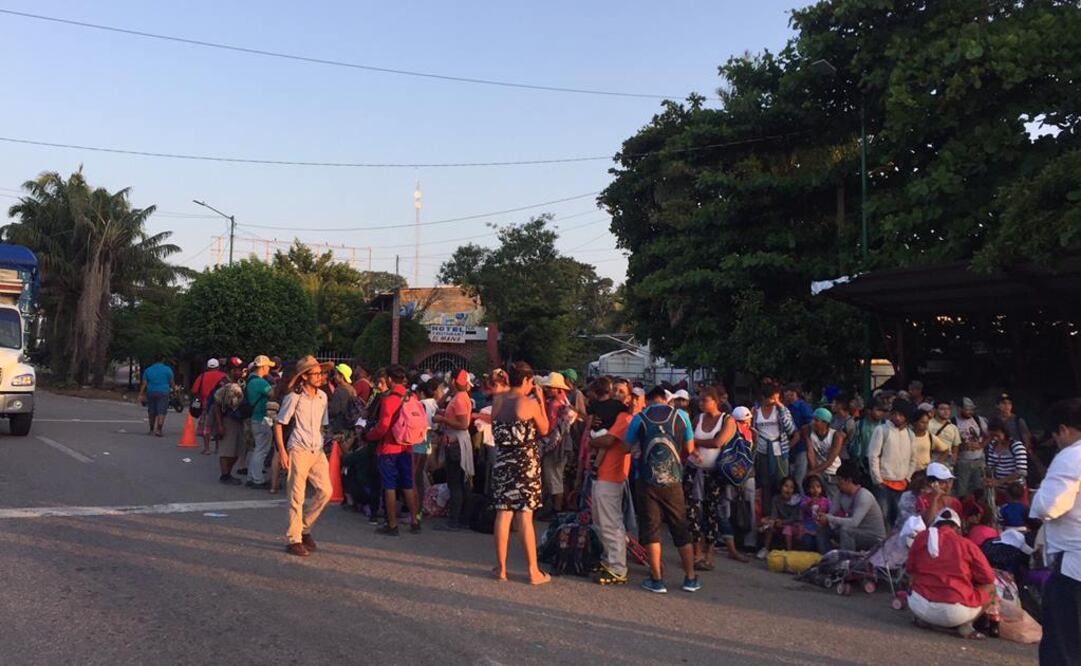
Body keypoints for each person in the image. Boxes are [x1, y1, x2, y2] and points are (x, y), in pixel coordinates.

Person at [625, 385, 700, 593]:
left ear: (648, 400)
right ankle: (690, 578)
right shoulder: (682, 416)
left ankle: (656, 580)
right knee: (680, 528)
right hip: (674, 481)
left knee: (652, 530)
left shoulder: (639, 418)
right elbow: (690, 449)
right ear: (666, 399)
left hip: (646, 480)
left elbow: (625, 448)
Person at [1029, 398, 1081, 665]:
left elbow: (1048, 507)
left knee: (1063, 648)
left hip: (1072, 567)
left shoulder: (1072, 456)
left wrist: (1036, 498)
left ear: (1064, 429)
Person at [489, 362, 551, 585]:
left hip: (503, 461)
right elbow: (544, 429)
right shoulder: (529, 403)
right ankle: (533, 571)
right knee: (525, 517)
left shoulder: (497, 401)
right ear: (526, 380)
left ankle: (502, 569)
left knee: (503, 514)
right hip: (525, 464)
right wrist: (541, 403)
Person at [274, 355, 334, 557]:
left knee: (326, 491)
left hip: (316, 449)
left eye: (320, 373)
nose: (320, 377)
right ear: (304, 376)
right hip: (298, 449)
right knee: (296, 497)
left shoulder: (322, 397)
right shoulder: (294, 397)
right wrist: (282, 451)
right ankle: (294, 539)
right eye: (315, 373)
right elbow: (279, 423)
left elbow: (322, 425)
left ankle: (305, 527)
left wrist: (324, 445)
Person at [906, 507, 997, 639]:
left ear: (936, 524)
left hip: (919, 606)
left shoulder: (921, 537)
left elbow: (910, 568)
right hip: (955, 613)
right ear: (958, 529)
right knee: (991, 588)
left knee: (913, 577)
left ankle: (922, 620)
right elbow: (988, 578)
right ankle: (966, 626)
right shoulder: (967, 544)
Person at [686, 387, 746, 569]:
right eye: (701, 400)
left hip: (714, 472)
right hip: (694, 469)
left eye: (706, 399)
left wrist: (694, 442)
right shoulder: (698, 418)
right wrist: (694, 447)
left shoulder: (727, 420)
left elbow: (718, 442)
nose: (701, 402)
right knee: (693, 513)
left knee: (711, 512)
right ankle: (697, 551)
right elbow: (688, 441)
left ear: (716, 401)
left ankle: (709, 552)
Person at [589, 379, 636, 585]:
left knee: (611, 523)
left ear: (628, 396)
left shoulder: (624, 418)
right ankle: (608, 560)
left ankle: (617, 567)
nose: (616, 393)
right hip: (602, 474)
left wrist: (591, 440)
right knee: (600, 522)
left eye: (621, 391)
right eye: (614, 389)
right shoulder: (611, 416)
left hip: (612, 476)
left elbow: (607, 441)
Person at [366, 364, 422, 536]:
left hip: (390, 447)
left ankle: (392, 524)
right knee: (408, 484)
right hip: (407, 446)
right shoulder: (411, 397)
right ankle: (415, 521)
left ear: (389, 379)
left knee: (389, 486)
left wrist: (369, 436)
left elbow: (383, 427)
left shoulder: (389, 399)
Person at [433, 369, 474, 530]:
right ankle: (461, 519)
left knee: (455, 483)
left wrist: (443, 419)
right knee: (459, 483)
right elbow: (439, 404)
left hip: (456, 443)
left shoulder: (460, 399)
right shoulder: (458, 396)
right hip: (455, 441)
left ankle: (455, 520)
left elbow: (464, 424)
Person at [867, 399, 918, 528]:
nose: (897, 417)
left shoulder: (910, 434)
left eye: (901, 415)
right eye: (895, 414)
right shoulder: (882, 430)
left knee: (900, 518)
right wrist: (878, 480)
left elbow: (913, 459)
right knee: (882, 518)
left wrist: (907, 478)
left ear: (906, 417)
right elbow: (873, 456)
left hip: (902, 484)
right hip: (883, 484)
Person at [752, 384, 798, 520]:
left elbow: (791, 430)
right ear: (764, 398)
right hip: (762, 451)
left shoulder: (781, 410)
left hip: (779, 452)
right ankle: (767, 517)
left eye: (777, 398)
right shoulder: (756, 411)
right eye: (772, 398)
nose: (774, 401)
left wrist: (782, 409)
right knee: (765, 485)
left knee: (782, 484)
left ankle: (784, 517)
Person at [819, 461, 887, 551]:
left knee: (846, 530)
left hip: (873, 537)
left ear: (849, 480)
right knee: (822, 528)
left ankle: (846, 560)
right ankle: (826, 557)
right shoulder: (840, 494)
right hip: (856, 532)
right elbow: (832, 514)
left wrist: (829, 518)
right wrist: (823, 518)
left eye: (839, 480)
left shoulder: (864, 496)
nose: (837, 483)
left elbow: (854, 522)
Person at [214, 358, 248, 485]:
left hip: (237, 418)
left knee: (238, 449)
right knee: (226, 448)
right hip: (226, 418)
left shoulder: (238, 383)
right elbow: (217, 405)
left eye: (240, 370)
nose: (239, 372)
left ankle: (227, 473)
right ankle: (225, 475)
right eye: (236, 370)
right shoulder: (223, 383)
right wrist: (220, 425)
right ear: (230, 370)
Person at [244, 355, 274, 489]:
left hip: (255, 418)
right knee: (262, 449)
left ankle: (252, 476)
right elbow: (274, 394)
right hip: (262, 418)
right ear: (262, 367)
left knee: (257, 449)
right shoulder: (261, 382)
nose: (269, 369)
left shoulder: (251, 380)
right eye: (268, 366)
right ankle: (257, 479)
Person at [984, 418, 1029, 504]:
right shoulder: (992, 446)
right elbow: (990, 467)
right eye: (992, 436)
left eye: (997, 435)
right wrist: (987, 479)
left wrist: (999, 482)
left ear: (1004, 432)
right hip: (1000, 492)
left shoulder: (1017, 446)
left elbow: (1021, 472)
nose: (995, 439)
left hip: (1016, 492)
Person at [806, 407, 845, 506]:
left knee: (833, 501)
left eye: (816, 420)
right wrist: (814, 471)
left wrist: (813, 472)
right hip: (818, 470)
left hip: (832, 471)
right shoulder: (808, 431)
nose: (813, 422)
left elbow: (830, 461)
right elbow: (811, 452)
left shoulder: (836, 436)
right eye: (813, 419)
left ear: (825, 423)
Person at [954, 398, 989, 498]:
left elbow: (989, 435)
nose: (970, 412)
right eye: (967, 409)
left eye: (972, 410)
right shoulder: (953, 422)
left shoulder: (978, 420)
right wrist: (961, 446)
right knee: (962, 490)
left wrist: (981, 445)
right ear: (960, 409)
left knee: (980, 489)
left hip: (979, 459)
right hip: (963, 460)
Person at [759, 476, 802, 557]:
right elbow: (774, 514)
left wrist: (783, 522)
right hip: (778, 522)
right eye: (786, 486)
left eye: (791, 487)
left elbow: (794, 518)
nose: (788, 489)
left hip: (792, 524)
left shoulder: (796, 501)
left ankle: (789, 553)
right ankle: (765, 549)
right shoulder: (776, 499)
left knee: (787, 529)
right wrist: (773, 521)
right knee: (767, 524)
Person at [190, 358, 226, 455]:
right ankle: (218, 448)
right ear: (218, 366)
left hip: (207, 404)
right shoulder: (224, 376)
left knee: (207, 427)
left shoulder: (202, 376)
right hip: (222, 404)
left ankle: (207, 449)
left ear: (207, 366)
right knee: (220, 425)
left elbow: (194, 391)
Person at [783, 384, 813, 485]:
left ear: (793, 393)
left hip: (801, 446)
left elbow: (810, 424)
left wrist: (800, 433)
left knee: (799, 480)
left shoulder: (803, 406)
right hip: (789, 447)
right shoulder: (786, 407)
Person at [138, 354, 174, 437]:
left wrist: (141, 394)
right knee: (161, 411)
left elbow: (144, 383)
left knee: (151, 411)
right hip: (163, 391)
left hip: (151, 391)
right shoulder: (167, 370)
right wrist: (175, 391)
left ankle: (151, 430)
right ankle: (159, 430)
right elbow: (172, 382)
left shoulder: (148, 370)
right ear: (163, 360)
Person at [911, 406, 950, 471]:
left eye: (927, 422)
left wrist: (937, 464)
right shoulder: (907, 436)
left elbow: (946, 450)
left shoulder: (930, 437)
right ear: (915, 423)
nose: (925, 425)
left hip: (924, 473)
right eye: (922, 422)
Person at [800, 475, 831, 553]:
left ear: (822, 488)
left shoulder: (825, 500)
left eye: (818, 487)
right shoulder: (806, 499)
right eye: (812, 487)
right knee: (808, 542)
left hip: (821, 528)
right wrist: (809, 504)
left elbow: (832, 511)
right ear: (808, 489)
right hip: (808, 527)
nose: (815, 489)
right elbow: (802, 507)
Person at [327, 364, 358, 436]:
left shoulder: (339, 390)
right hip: (350, 426)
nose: (334, 377)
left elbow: (334, 410)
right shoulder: (352, 389)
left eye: (336, 374)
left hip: (339, 427)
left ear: (341, 376)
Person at [929, 399, 962, 465]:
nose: (946, 411)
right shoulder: (928, 424)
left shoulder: (953, 427)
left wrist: (954, 456)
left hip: (947, 462)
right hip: (931, 460)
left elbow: (956, 445)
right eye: (942, 409)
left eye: (948, 409)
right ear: (935, 410)